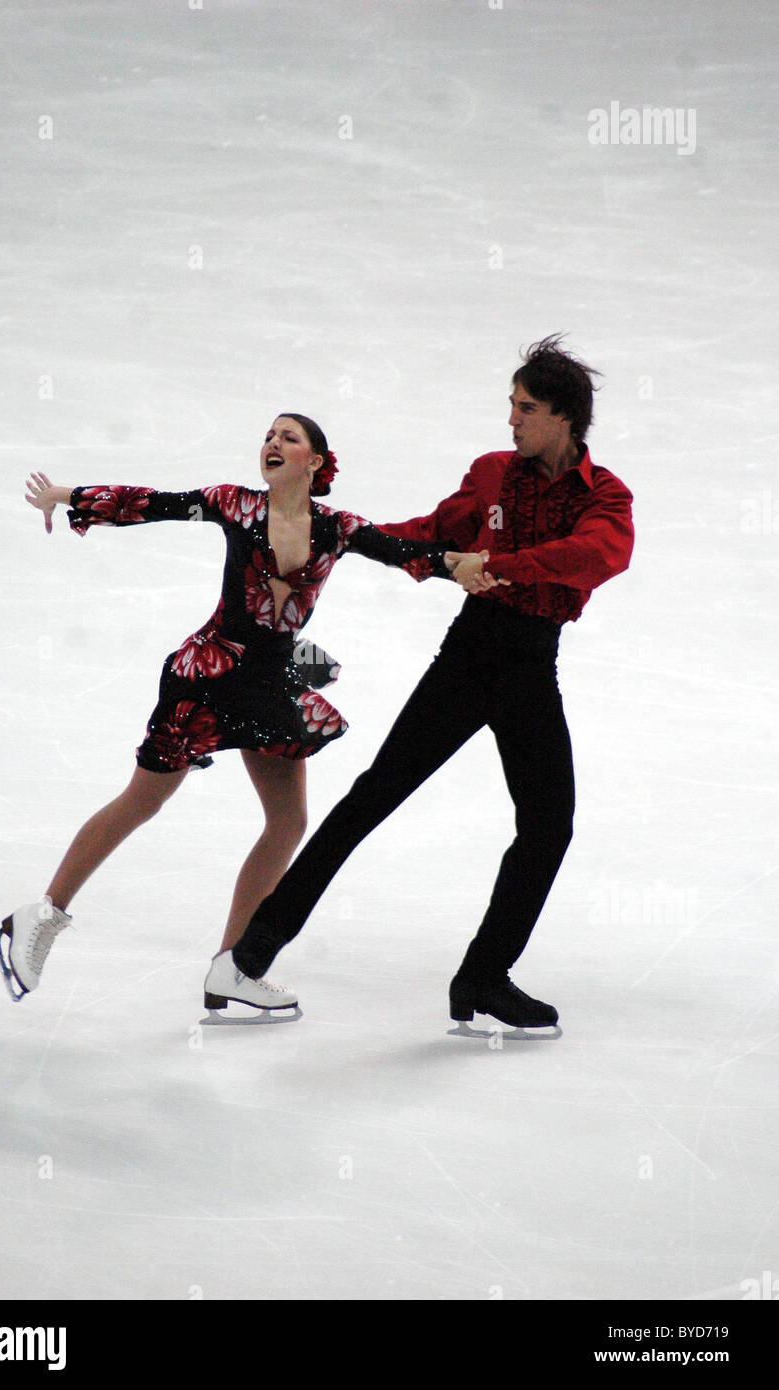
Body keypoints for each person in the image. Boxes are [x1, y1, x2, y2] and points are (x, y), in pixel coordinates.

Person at [208, 338, 635, 1028]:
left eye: (525, 408)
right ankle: (248, 959)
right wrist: (346, 538)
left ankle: (483, 977)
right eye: (511, 404)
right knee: (373, 797)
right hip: (470, 657)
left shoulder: (605, 495)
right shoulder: (493, 472)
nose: (511, 419)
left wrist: (509, 565)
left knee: (549, 826)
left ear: (564, 418)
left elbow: (600, 554)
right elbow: (434, 533)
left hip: (531, 669)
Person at [0, 414, 473, 1007]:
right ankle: (37, 917)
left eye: (288, 438)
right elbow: (155, 503)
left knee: (288, 823)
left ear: (316, 463)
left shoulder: (337, 528)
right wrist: (70, 496)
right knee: (144, 799)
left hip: (268, 686)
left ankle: (232, 966)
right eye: (269, 435)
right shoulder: (234, 505)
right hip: (209, 677)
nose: (272, 443)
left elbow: (402, 551)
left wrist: (461, 565)